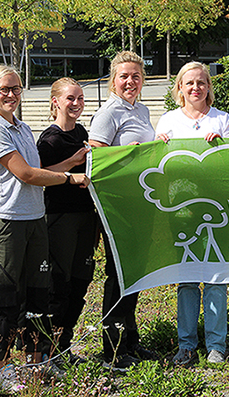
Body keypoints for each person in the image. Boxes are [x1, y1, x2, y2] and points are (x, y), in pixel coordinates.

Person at [0, 65, 89, 393]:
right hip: (7, 222)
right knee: (6, 296)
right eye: (4, 89)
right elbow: (25, 174)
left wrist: (70, 163)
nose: (11, 94)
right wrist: (70, 178)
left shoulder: (23, 128)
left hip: (34, 219)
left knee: (39, 293)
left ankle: (35, 360)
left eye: (16, 88)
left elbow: (39, 170)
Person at [156, 61, 229, 365]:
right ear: (180, 88)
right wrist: (158, 146)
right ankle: (186, 345)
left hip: (217, 209)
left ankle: (216, 344)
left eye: (201, 83)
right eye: (189, 83)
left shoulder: (223, 120)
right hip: (181, 211)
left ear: (208, 87)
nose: (195, 88)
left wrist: (223, 145)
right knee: (187, 280)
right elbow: (158, 167)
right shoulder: (167, 122)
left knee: (215, 279)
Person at [89, 51, 156, 372]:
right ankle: (112, 350)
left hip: (139, 205)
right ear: (113, 80)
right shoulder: (108, 113)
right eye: (124, 77)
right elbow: (97, 157)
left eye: (136, 76)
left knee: (134, 275)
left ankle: (131, 340)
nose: (130, 82)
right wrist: (129, 154)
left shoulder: (140, 109)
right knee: (117, 276)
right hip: (117, 206)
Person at [36, 78, 98, 367]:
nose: (76, 104)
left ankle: (64, 345)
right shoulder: (50, 139)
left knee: (80, 283)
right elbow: (39, 175)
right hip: (61, 218)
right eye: (70, 98)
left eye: (81, 99)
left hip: (87, 217)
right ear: (56, 102)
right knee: (58, 286)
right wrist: (71, 164)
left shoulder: (82, 131)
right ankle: (46, 352)